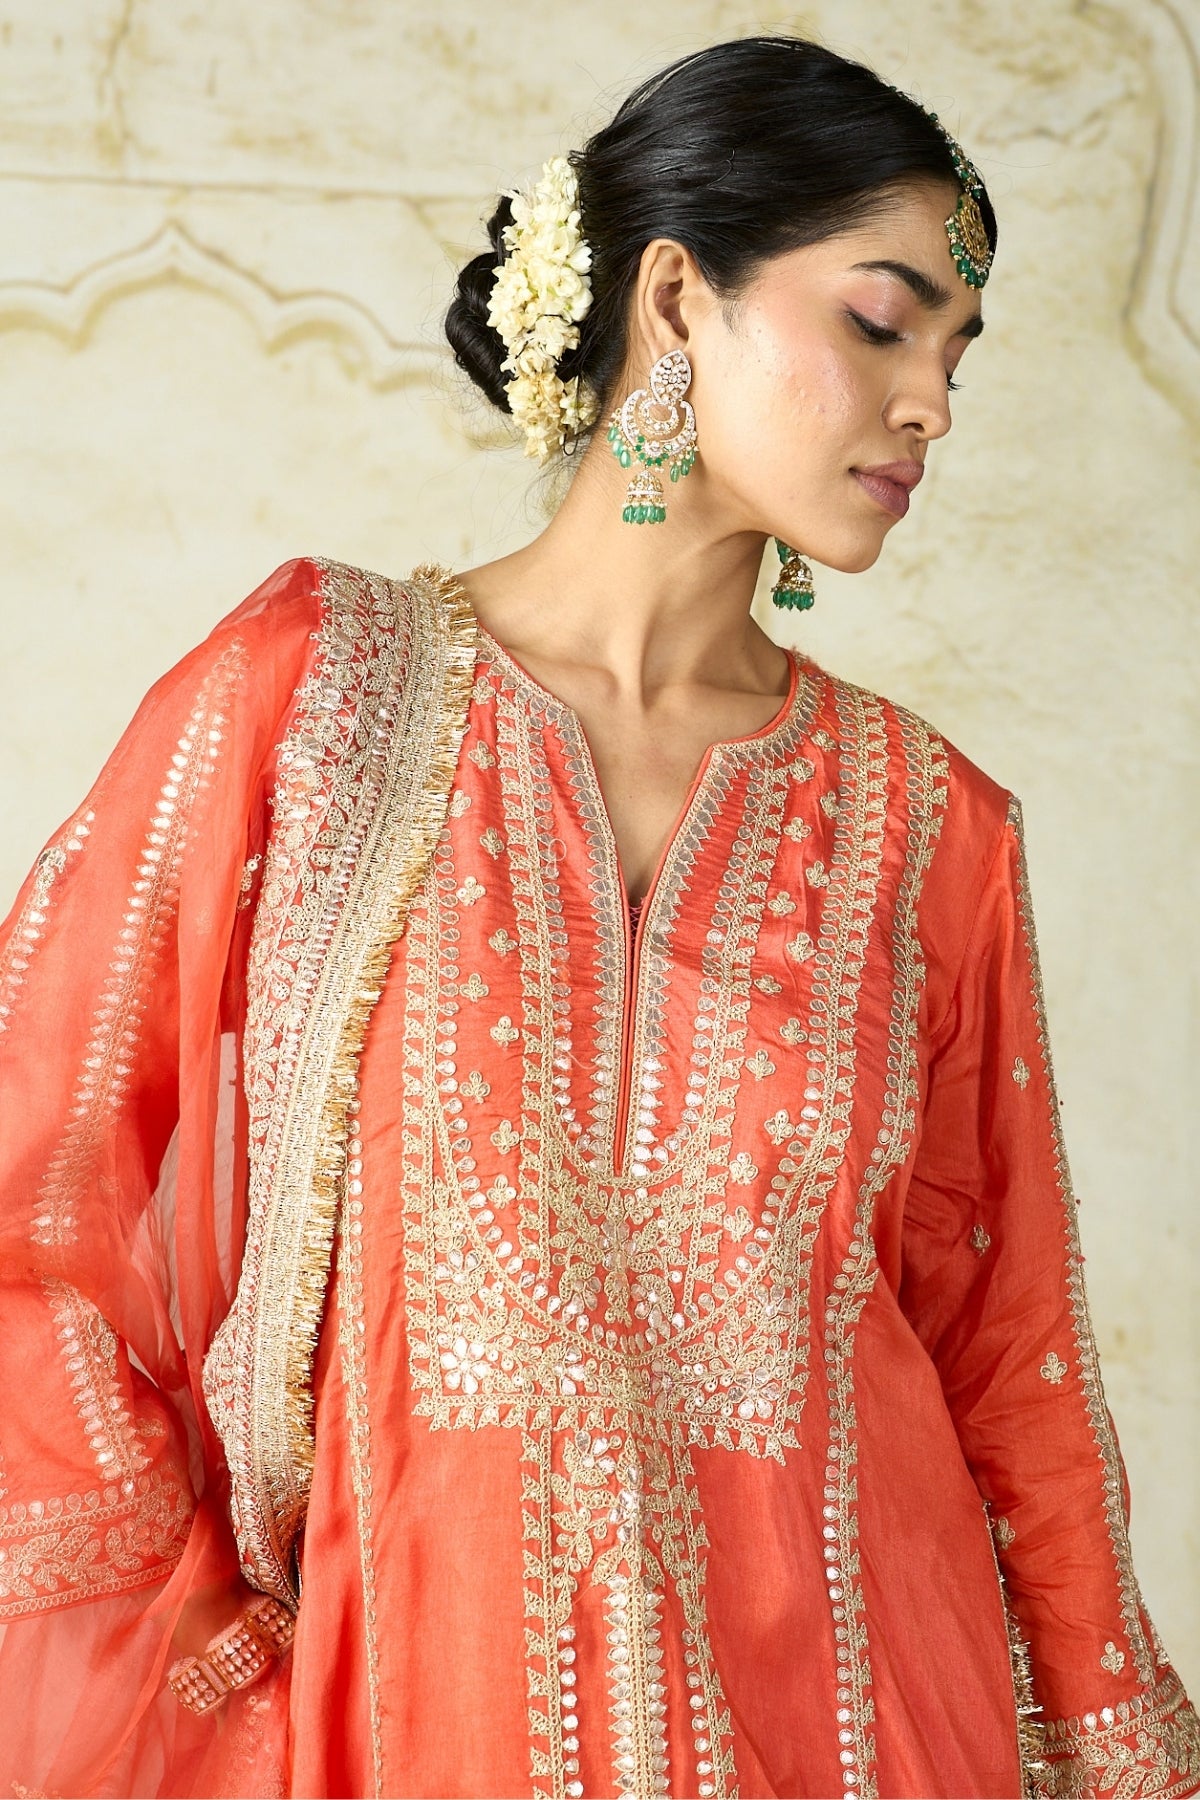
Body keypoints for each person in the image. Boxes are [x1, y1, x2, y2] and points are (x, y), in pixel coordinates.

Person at [0, 32, 1195, 1800]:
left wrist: (1118, 1756)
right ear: (677, 299)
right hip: (412, 1723)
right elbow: (31, 1202)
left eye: (958, 355)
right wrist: (224, 1665)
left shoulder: (932, 828)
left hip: (867, 1730)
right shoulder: (316, 699)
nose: (933, 403)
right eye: (883, 323)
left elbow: (1008, 1357)